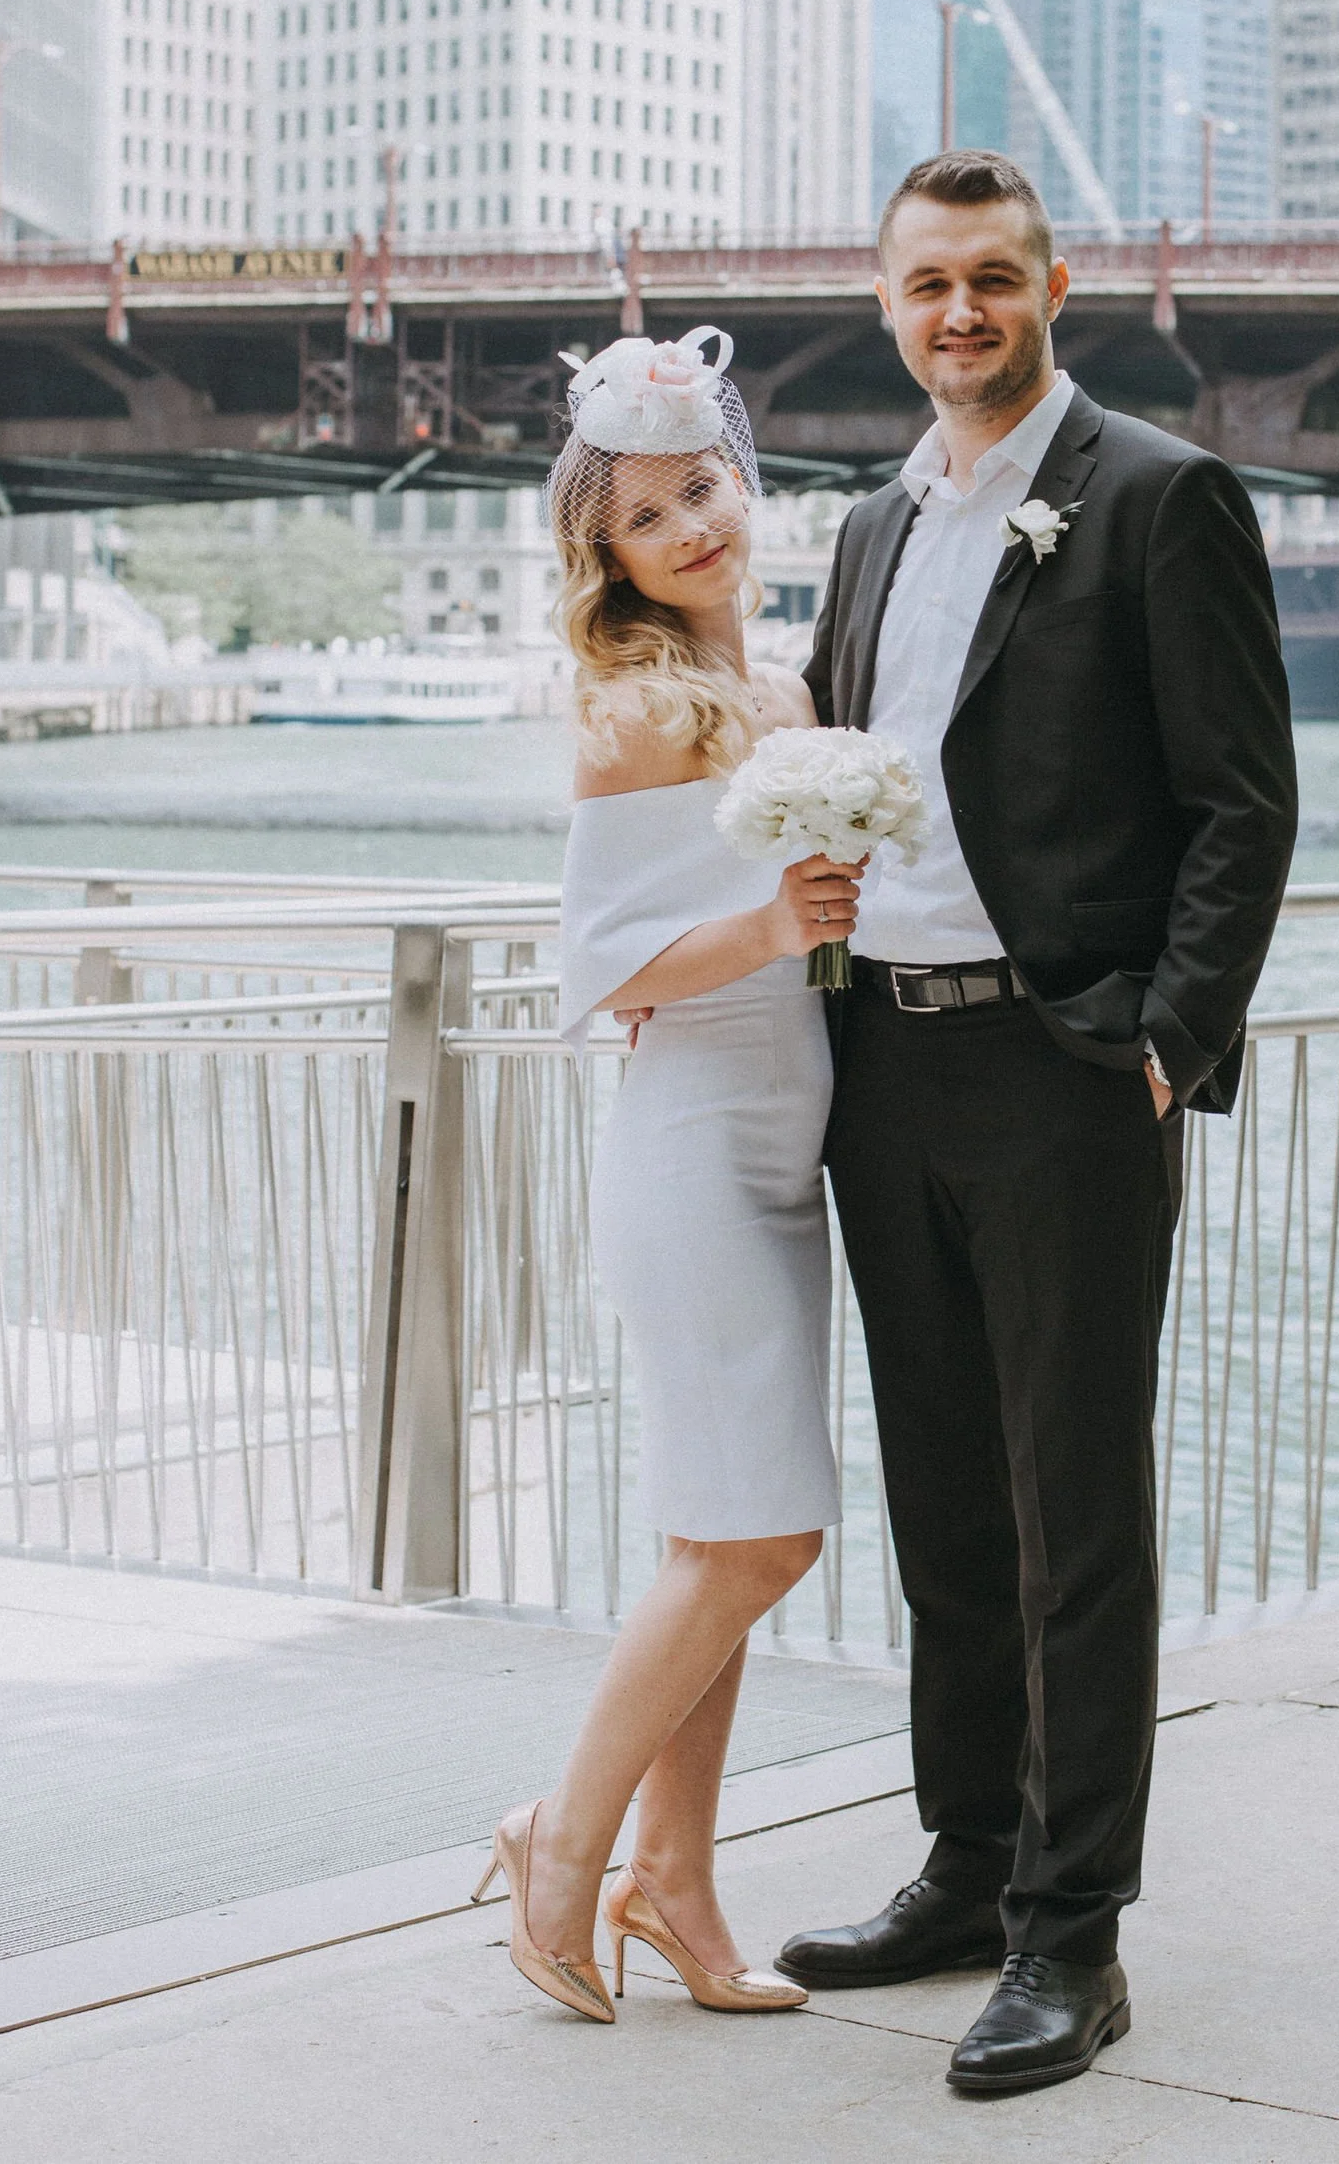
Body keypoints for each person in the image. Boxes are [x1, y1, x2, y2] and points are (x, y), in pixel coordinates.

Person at [778, 151, 1298, 2097]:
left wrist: (1164, 1043)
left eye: (992, 279)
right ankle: (967, 1862)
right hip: (885, 1068)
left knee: (1073, 1515)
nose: (960, 314)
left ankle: (1073, 1935)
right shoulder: (869, 525)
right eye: (928, 283)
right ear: (887, 300)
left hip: (1062, 1070)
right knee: (942, 1501)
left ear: (1053, 288)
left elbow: (1243, 801)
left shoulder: (1157, 495)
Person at [476, 325, 863, 2027]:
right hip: (697, 1147)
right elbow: (603, 969)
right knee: (761, 1541)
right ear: (609, 557)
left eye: (703, 489)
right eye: (647, 516)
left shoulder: (783, 699)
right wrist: (777, 925)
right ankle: (561, 1843)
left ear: (741, 484)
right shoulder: (632, 710)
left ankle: (679, 1884)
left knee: (721, 1534)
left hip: (788, 1147)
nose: (692, 527)